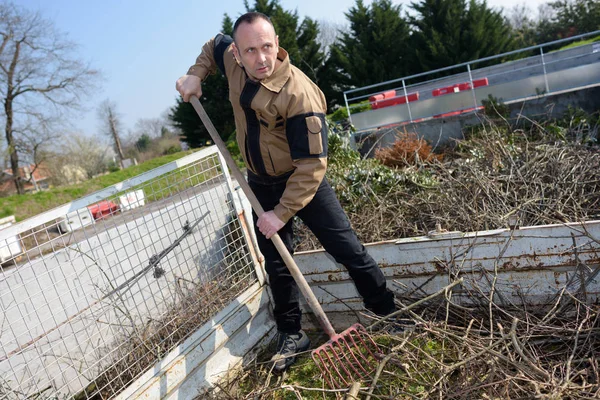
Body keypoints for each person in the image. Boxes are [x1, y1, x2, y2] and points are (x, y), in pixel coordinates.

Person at [176, 12, 396, 372]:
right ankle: (293, 334)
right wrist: (195, 75)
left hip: (301, 181)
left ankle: (388, 311)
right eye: (250, 51)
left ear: (277, 44)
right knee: (277, 264)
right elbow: (209, 47)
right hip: (259, 182)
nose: (261, 58)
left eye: (267, 47)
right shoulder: (229, 58)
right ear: (237, 53)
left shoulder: (300, 94)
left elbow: (312, 166)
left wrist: (279, 215)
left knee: (346, 248)